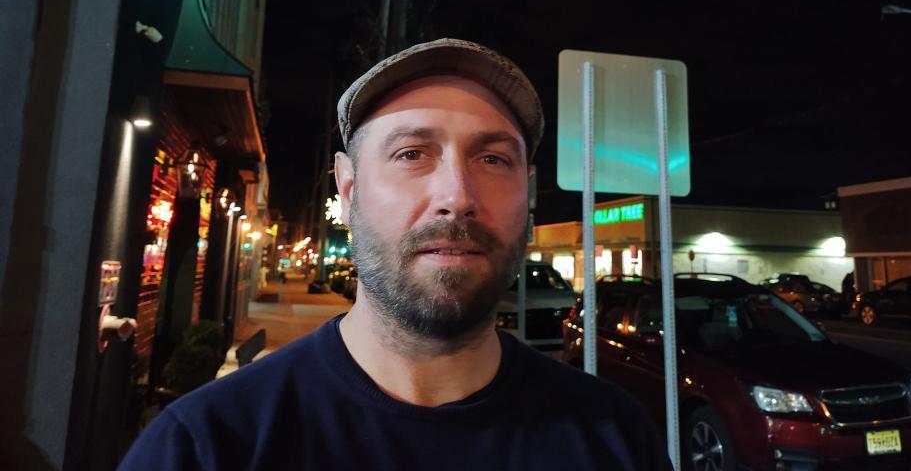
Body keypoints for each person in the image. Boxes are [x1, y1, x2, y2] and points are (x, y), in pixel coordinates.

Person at [118, 38, 673, 471]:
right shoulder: (207, 446)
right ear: (349, 187)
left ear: (527, 192)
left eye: (494, 160)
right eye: (412, 153)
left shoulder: (617, 437)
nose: (457, 196)